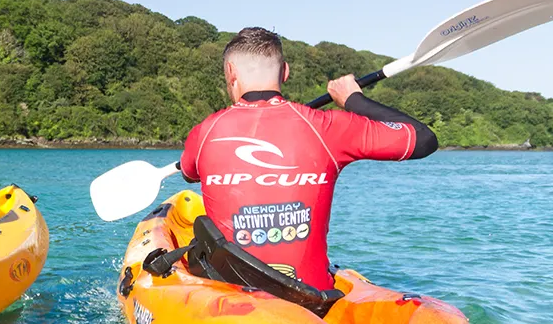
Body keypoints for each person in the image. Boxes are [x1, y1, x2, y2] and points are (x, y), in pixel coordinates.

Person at [179, 27, 437, 291]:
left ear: (230, 72)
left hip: (230, 297)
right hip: (310, 300)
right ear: (285, 72)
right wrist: (353, 99)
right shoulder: (327, 128)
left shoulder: (204, 132)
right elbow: (424, 139)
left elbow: (189, 172)